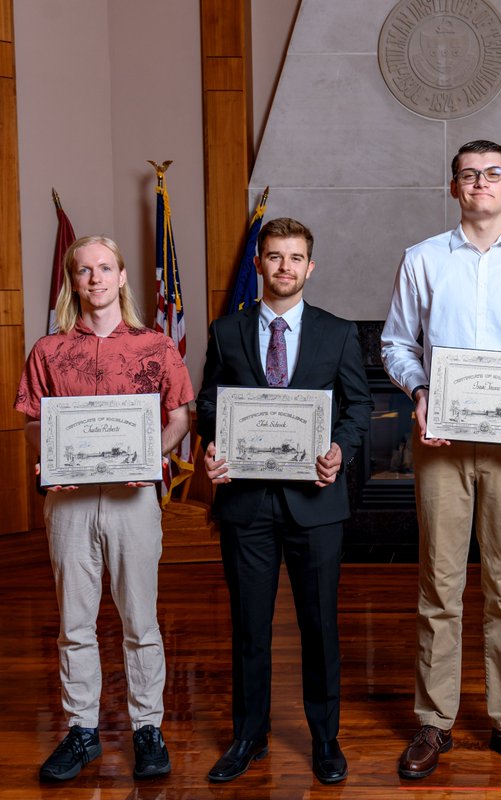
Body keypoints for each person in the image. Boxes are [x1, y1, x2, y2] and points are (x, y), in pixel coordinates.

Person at [381, 139, 501, 780]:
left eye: (492, 174)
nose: (481, 183)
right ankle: (434, 723)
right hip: (440, 444)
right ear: (455, 187)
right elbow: (396, 344)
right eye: (468, 175)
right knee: (439, 584)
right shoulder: (423, 260)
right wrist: (420, 392)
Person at [197, 217, 372, 784]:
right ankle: (249, 735)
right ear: (259, 264)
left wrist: (340, 451)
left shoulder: (338, 332)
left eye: (295, 258)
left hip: (316, 504)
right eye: (274, 257)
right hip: (245, 504)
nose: (284, 268)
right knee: (250, 627)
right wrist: (213, 443)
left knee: (320, 624)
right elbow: (206, 404)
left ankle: (325, 739)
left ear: (309, 267)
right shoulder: (226, 331)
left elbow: (358, 407)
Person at [15, 235, 193, 782]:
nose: (94, 278)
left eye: (105, 268)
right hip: (69, 506)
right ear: (73, 280)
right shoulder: (48, 351)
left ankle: (147, 728)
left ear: (121, 278)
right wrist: (52, 457)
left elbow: (182, 416)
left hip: (132, 500)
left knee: (140, 620)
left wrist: (148, 451)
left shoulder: (156, 347)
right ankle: (82, 732)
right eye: (84, 270)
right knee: (75, 623)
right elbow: (30, 421)